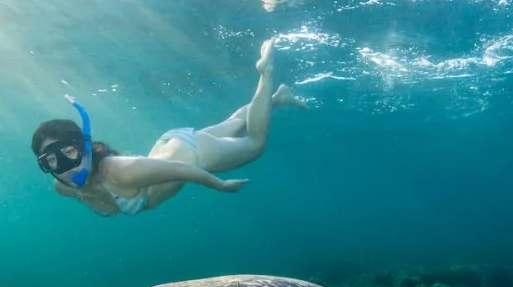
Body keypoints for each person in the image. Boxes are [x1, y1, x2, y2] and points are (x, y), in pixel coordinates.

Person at [30, 38, 307, 216]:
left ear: (85, 146)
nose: (64, 165)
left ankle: (266, 74)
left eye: (67, 152)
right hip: (172, 145)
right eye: (52, 160)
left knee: (255, 143)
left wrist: (221, 185)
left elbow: (182, 170)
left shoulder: (119, 171)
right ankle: (277, 99)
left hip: (195, 154)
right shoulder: (62, 185)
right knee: (235, 123)